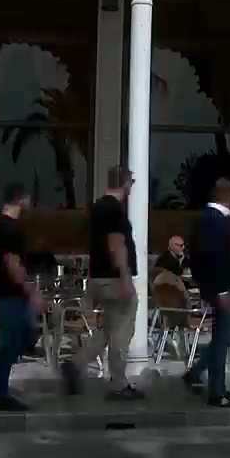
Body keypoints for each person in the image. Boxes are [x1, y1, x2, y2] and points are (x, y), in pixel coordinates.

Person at [62, 166, 144, 401]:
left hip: (98, 277)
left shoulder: (97, 208)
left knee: (107, 329)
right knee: (121, 332)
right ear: (126, 183)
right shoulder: (115, 211)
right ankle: (119, 384)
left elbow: (94, 245)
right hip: (114, 279)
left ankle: (76, 364)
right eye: (131, 183)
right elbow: (115, 244)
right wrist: (126, 279)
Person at [0, 183, 44, 412]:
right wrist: (31, 290)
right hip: (9, 291)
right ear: (21, 199)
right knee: (12, 341)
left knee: (21, 336)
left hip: (5, 290)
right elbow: (12, 263)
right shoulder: (10, 228)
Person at [184, 177, 230, 408]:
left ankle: (197, 371)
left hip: (208, 285)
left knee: (225, 333)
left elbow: (196, 255)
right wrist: (221, 289)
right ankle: (217, 391)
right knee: (223, 338)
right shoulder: (218, 221)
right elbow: (215, 257)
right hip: (219, 287)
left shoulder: (201, 219)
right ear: (228, 195)